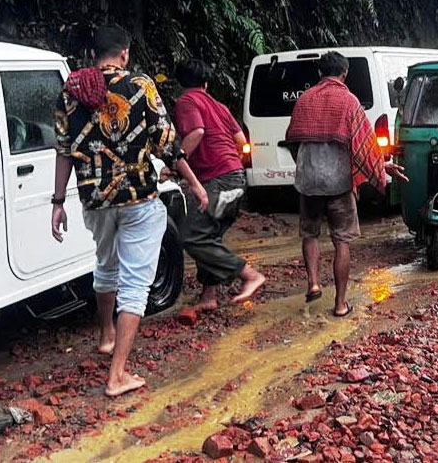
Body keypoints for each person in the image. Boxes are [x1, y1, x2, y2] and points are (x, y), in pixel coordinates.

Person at [52, 25, 209, 397]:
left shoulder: (71, 91)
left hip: (94, 200)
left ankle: (107, 335)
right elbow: (167, 145)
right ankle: (117, 375)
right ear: (124, 53)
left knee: (106, 264)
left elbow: (63, 151)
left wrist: (57, 202)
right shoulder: (140, 86)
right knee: (136, 283)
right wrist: (196, 183)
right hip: (138, 199)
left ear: (95, 54)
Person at [286, 52, 408, 317]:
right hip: (338, 182)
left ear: (320, 73)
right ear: (344, 74)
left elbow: (292, 138)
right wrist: (382, 167)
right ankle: (340, 305)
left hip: (308, 181)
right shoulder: (348, 101)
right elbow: (364, 146)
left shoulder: (304, 100)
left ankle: (314, 283)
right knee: (342, 241)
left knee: (310, 233)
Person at [172, 58, 266, 310]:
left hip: (220, 179)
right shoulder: (219, 105)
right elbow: (239, 140)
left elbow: (197, 132)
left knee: (191, 236)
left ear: (180, 82)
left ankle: (249, 275)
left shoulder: (186, 101)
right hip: (236, 177)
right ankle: (208, 296)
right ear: (205, 82)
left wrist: (176, 162)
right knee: (209, 233)